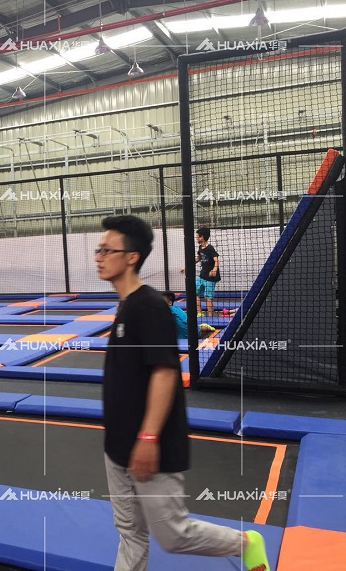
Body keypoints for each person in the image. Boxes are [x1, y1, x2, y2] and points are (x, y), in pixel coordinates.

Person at [96, 215, 269, 571]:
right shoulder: (126, 306)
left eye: (107, 250)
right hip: (117, 445)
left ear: (131, 257)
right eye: (99, 249)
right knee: (130, 532)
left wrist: (147, 438)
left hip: (150, 445)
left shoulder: (148, 306)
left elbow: (164, 373)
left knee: (174, 534)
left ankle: (246, 543)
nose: (99, 257)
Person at [180, 227, 220, 317]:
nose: (196, 238)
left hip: (210, 277)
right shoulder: (200, 247)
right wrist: (186, 267)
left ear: (202, 237)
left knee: (208, 297)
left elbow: (216, 259)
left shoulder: (210, 248)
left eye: (197, 237)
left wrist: (214, 270)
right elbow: (198, 258)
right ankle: (199, 312)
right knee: (194, 292)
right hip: (203, 275)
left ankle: (210, 316)